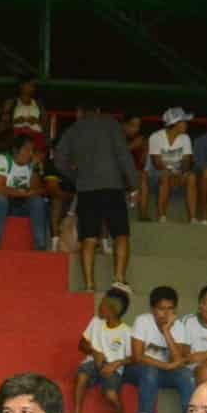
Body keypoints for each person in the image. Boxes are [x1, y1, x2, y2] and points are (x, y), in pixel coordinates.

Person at [55, 101, 142, 292]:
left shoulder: (73, 129)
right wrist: (133, 185)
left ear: (80, 112)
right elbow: (123, 155)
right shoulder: (111, 125)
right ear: (98, 110)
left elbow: (59, 159)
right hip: (112, 186)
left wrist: (76, 177)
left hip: (87, 189)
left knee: (89, 236)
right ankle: (119, 279)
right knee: (120, 234)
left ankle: (89, 285)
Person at [128, 285, 194, 413]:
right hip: (139, 370)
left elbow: (178, 360)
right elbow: (137, 356)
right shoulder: (142, 321)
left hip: (165, 372)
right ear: (152, 309)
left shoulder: (179, 326)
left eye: (170, 309)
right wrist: (166, 365)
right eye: (161, 309)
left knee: (187, 375)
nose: (166, 313)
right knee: (150, 370)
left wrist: (167, 332)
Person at [71, 288, 133, 413]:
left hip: (112, 368)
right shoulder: (96, 322)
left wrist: (116, 364)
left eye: (103, 304)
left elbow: (134, 357)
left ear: (113, 310)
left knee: (111, 395)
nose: (99, 307)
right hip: (93, 363)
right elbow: (81, 344)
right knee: (82, 375)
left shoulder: (127, 331)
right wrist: (95, 352)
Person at [0, 134, 51, 252]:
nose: (31, 154)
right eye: (27, 149)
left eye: (32, 150)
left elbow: (34, 189)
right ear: (15, 150)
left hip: (19, 204)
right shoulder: (1, 159)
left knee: (38, 202)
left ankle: (40, 246)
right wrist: (24, 193)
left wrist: (35, 168)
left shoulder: (31, 164)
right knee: (0, 199)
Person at [145, 108, 197, 223]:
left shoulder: (185, 138)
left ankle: (193, 218)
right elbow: (157, 164)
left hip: (176, 174)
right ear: (175, 123)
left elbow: (187, 161)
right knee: (165, 175)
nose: (186, 124)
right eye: (184, 121)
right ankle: (162, 216)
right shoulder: (156, 137)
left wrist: (182, 172)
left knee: (191, 177)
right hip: (156, 176)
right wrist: (173, 173)